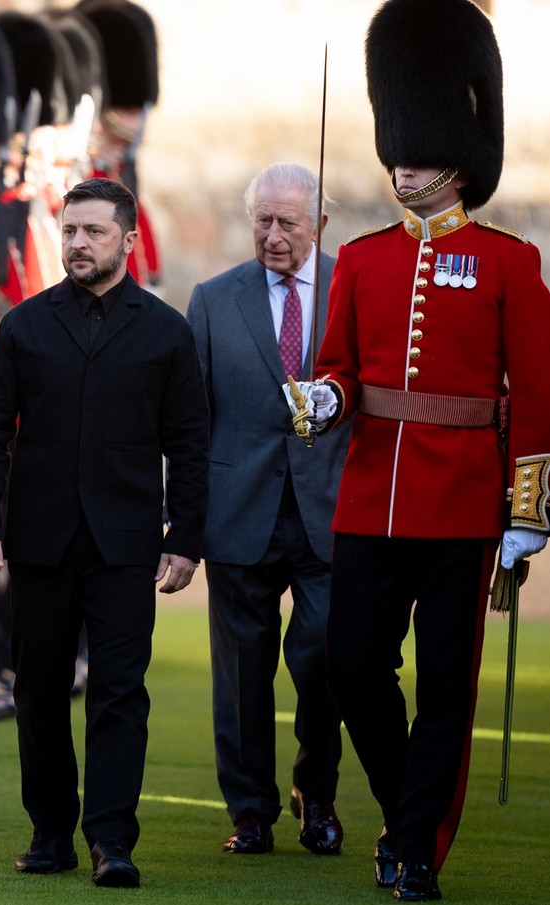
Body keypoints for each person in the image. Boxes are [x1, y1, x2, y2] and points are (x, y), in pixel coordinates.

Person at [298, 1, 550, 899]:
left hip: (462, 502)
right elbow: (339, 374)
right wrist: (317, 399)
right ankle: (408, 802)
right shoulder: (362, 261)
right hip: (371, 497)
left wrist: (525, 513)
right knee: (351, 662)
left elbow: (537, 397)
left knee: (447, 687)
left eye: (418, 148)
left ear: (459, 156)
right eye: (396, 146)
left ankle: (413, 850)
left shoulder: (507, 264)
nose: (401, 164)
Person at [0, 177, 208, 888]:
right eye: (70, 230)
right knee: (37, 689)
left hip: (125, 544)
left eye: (93, 232)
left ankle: (111, 838)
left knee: (119, 691)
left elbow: (189, 442)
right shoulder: (25, 325)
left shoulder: (166, 331)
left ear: (127, 240)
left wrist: (184, 536)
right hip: (38, 540)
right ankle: (49, 830)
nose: (76, 243)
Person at [186, 163, 348, 858]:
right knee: (242, 673)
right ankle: (249, 809)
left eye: (287, 222)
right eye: (262, 221)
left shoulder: (354, 287)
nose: (273, 235)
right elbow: (189, 421)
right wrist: (183, 521)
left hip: (330, 513)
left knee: (322, 658)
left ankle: (316, 791)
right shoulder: (212, 299)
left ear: (318, 223)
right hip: (238, 512)